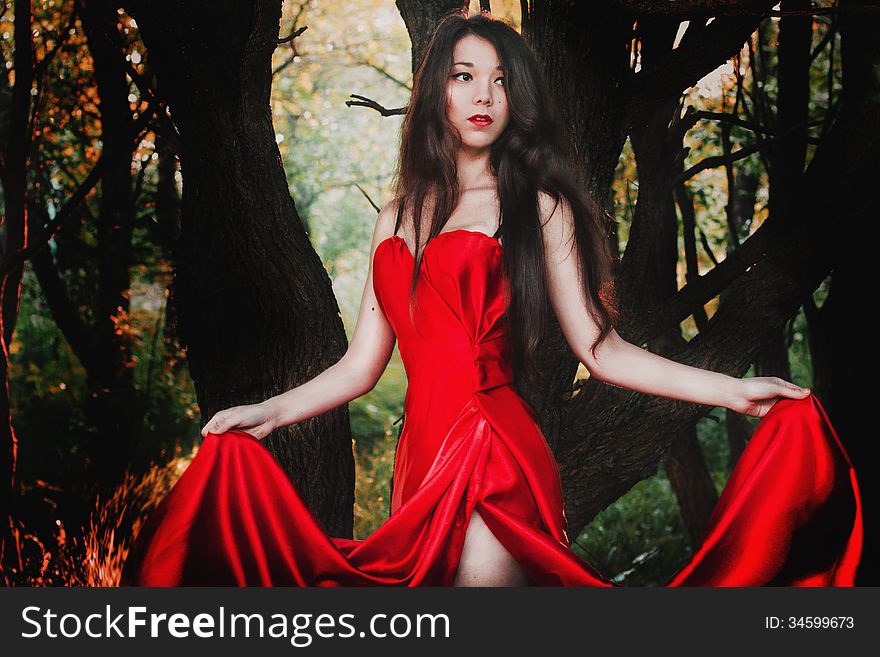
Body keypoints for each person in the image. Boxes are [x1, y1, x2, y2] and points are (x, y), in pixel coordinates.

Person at [121, 11, 862, 587]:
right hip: (421, 465)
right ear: (436, 89)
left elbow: (600, 349)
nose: (484, 95)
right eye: (466, 76)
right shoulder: (396, 215)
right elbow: (360, 367)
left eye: (502, 79)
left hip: (494, 451)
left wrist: (735, 392)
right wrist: (267, 412)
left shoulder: (539, 204)